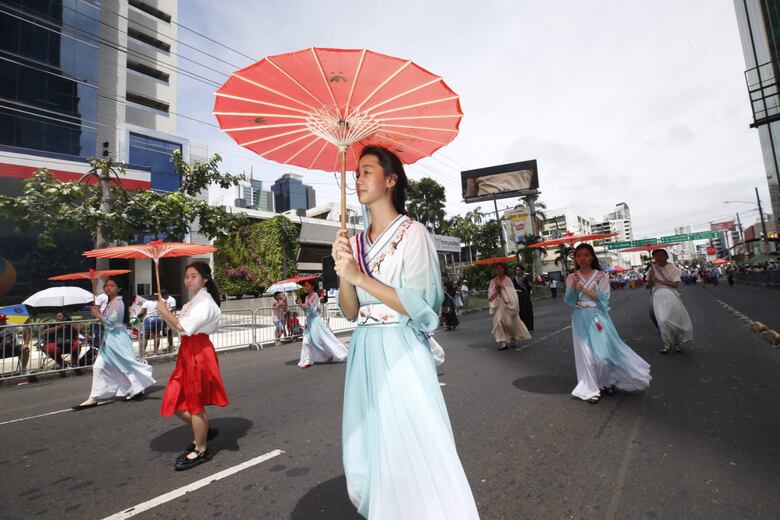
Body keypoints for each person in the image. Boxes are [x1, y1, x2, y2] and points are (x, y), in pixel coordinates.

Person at [332, 145, 479, 519]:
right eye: (357, 173)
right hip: (364, 347)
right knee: (372, 446)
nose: (359, 179)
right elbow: (351, 310)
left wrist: (358, 275)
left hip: (400, 345)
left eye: (367, 171)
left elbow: (421, 303)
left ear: (390, 180)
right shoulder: (357, 242)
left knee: (414, 443)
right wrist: (342, 269)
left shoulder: (415, 234)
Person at [156, 261, 229, 471]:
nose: (188, 280)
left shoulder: (205, 302)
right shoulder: (193, 302)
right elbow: (179, 329)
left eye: (193, 276)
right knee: (175, 399)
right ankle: (203, 428)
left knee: (194, 402)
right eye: (187, 276)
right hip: (187, 351)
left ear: (205, 279)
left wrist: (165, 312)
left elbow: (181, 326)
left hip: (199, 353)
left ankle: (200, 448)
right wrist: (164, 313)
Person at [564, 244, 651, 404]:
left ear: (592, 257)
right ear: (575, 258)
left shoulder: (602, 276)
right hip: (579, 317)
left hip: (598, 316)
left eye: (586, 255)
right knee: (587, 355)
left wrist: (582, 288)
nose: (582, 258)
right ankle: (590, 388)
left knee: (603, 354)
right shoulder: (571, 277)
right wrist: (574, 289)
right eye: (579, 255)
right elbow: (569, 301)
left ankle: (606, 381)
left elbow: (603, 299)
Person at [75, 278, 155, 409]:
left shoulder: (117, 303)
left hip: (117, 338)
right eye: (106, 285)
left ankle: (137, 387)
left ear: (118, 289)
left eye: (112, 285)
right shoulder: (111, 302)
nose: (108, 287)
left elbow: (110, 323)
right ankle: (94, 396)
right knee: (100, 366)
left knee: (125, 365)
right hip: (110, 338)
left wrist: (98, 314)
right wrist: (99, 314)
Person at [648, 249, 694, 354]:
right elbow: (650, 285)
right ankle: (667, 344)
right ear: (654, 258)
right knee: (662, 321)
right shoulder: (652, 269)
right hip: (657, 296)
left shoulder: (673, 268)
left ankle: (678, 343)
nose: (659, 258)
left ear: (666, 256)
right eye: (656, 256)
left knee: (675, 320)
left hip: (671, 295)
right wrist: (651, 277)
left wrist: (659, 281)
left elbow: (675, 285)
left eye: (661, 255)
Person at [297, 280, 348, 368]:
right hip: (309, 321)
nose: (306, 288)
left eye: (307, 286)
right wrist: (302, 305)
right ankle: (307, 359)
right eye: (305, 286)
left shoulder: (315, 295)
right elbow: (306, 311)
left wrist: (302, 305)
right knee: (306, 341)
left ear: (312, 286)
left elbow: (313, 309)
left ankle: (331, 354)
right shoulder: (306, 297)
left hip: (316, 321)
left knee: (319, 340)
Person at [489, 263, 531, 350]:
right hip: (498, 305)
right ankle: (503, 343)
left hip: (507, 305)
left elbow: (513, 293)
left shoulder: (508, 279)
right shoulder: (493, 281)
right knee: (499, 322)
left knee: (509, 323)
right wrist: (497, 290)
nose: (499, 270)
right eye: (497, 268)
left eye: (500, 268)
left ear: (504, 269)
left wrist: (503, 288)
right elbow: (490, 296)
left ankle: (512, 338)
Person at [512, 265, 534, 331]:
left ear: (522, 270)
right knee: (519, 312)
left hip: (525, 296)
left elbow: (529, 287)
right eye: (516, 270)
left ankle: (529, 327)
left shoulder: (526, 278)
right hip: (517, 296)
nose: (517, 271)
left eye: (518, 270)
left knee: (527, 312)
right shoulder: (514, 279)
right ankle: (521, 328)